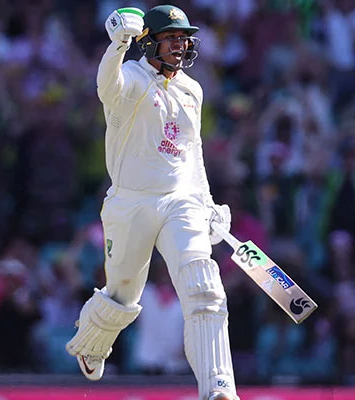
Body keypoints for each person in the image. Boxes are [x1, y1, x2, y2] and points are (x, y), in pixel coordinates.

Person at [65, 5, 237, 400]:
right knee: (123, 294)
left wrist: (207, 203)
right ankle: (91, 344)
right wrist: (118, 44)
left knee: (204, 286)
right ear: (148, 42)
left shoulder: (192, 90)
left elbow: (192, 153)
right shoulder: (131, 79)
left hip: (181, 202)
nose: (180, 45)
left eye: (184, 38)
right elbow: (106, 87)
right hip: (132, 203)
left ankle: (218, 388)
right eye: (171, 38)